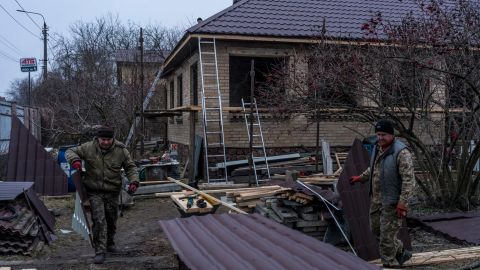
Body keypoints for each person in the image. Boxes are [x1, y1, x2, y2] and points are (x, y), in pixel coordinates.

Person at [66, 126, 139, 264]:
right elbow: (70, 151)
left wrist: (134, 181)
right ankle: (100, 250)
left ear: (113, 138)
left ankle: (110, 243)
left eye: (108, 139)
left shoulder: (121, 150)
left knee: (111, 219)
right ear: (98, 138)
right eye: (103, 139)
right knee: (99, 220)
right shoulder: (88, 148)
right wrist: (75, 160)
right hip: (94, 191)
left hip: (112, 191)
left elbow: (131, 167)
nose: (105, 142)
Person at [350, 119, 414, 267]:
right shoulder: (378, 148)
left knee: (386, 237)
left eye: (383, 134)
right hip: (377, 200)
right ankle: (401, 251)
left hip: (392, 203)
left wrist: (403, 203)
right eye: (378, 134)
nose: (380, 137)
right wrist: (361, 178)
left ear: (391, 134)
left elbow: (409, 181)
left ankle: (390, 264)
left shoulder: (401, 152)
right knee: (376, 230)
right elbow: (373, 169)